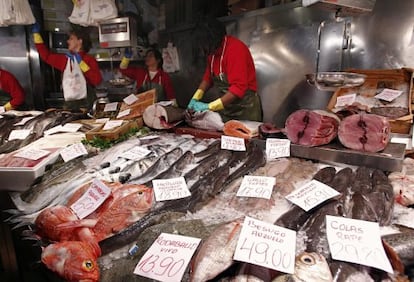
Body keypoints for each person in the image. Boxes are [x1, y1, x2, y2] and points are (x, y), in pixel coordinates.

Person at [187, 17, 262, 122]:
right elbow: (208, 78)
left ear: (213, 40)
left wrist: (210, 106)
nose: (201, 49)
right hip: (227, 108)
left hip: (246, 109)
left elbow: (238, 87)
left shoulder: (235, 49)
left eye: (203, 45)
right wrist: (196, 97)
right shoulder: (211, 53)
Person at [32, 23, 102, 111]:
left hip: (88, 104)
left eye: (71, 39)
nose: (68, 41)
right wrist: (36, 36)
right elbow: (46, 56)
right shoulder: (66, 60)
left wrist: (81, 64)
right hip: (70, 105)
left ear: (80, 41)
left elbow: (97, 80)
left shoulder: (89, 60)